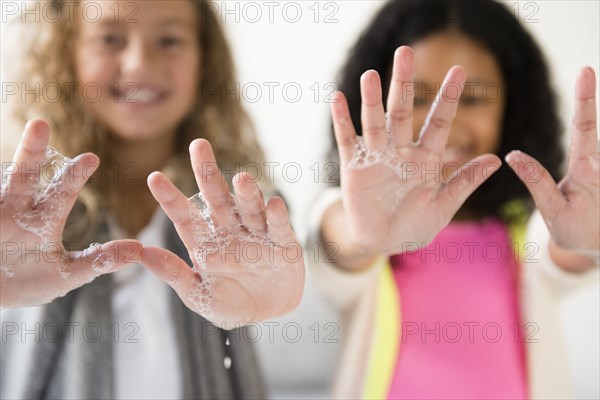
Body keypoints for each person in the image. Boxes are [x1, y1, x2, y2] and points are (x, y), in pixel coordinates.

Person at [0, 1, 304, 398]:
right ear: (65, 51)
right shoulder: (15, 211)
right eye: (110, 38)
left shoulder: (239, 209)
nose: (139, 64)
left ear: (204, 60)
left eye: (169, 40)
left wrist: (277, 298)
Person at [309, 0, 599, 398]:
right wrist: (363, 235)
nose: (442, 123)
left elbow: (564, 249)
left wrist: (590, 238)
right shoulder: (352, 218)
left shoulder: (523, 228)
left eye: (474, 99)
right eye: (416, 97)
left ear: (511, 110)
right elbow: (335, 239)